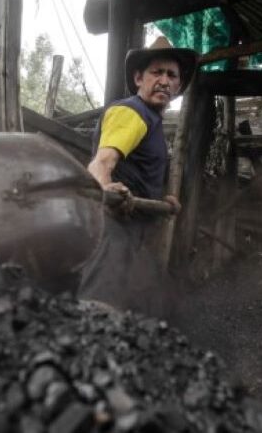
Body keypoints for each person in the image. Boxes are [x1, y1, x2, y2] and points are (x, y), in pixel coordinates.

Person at [78, 36, 198, 317]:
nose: (165, 81)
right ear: (138, 78)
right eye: (157, 72)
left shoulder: (151, 121)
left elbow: (138, 173)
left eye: (172, 75)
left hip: (131, 234)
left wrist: (163, 201)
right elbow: (100, 164)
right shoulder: (131, 112)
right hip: (110, 230)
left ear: (178, 86)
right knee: (97, 308)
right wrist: (107, 186)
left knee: (129, 308)